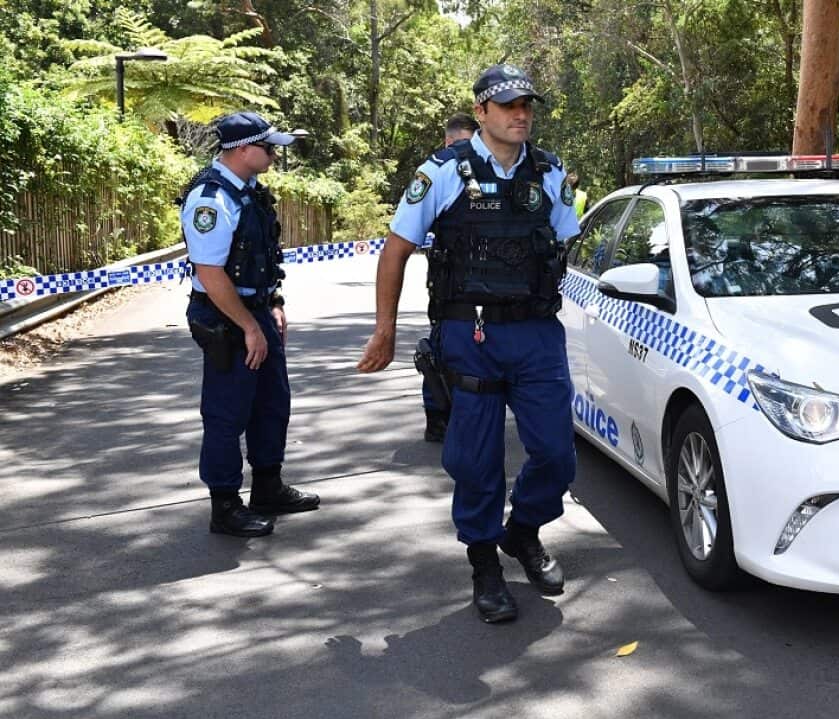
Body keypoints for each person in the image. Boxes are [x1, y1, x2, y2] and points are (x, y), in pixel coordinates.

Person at [357, 64, 580, 623]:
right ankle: (484, 561)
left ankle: (522, 531)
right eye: (507, 106)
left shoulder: (551, 174)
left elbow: (565, 251)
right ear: (481, 112)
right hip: (470, 331)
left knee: (556, 454)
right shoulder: (442, 174)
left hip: (535, 334)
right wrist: (385, 327)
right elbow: (396, 251)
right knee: (476, 460)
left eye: (527, 105)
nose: (521, 114)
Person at [180, 111, 320, 538]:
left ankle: (268, 487)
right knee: (227, 412)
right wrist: (248, 327)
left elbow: (260, 260)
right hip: (226, 317)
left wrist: (272, 304)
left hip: (255, 310)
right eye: (268, 147)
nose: (274, 154)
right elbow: (210, 272)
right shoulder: (211, 198)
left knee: (272, 402)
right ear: (242, 150)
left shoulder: (250, 192)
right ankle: (225, 505)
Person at [419, 113, 480, 443]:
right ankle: (437, 415)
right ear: (447, 142)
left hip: (482, 286)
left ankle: (462, 411)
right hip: (449, 284)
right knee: (439, 348)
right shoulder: (437, 172)